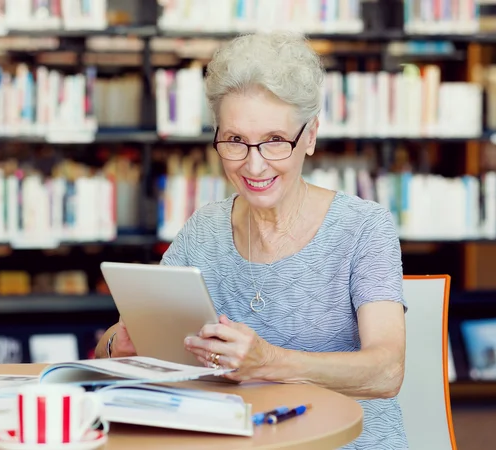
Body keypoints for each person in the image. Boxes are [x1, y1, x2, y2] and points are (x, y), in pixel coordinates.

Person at [95, 31, 407, 449]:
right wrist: (123, 346)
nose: (254, 165)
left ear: (310, 136)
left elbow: (387, 371)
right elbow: (107, 351)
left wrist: (270, 362)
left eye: (276, 141)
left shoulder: (364, 227)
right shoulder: (203, 229)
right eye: (235, 141)